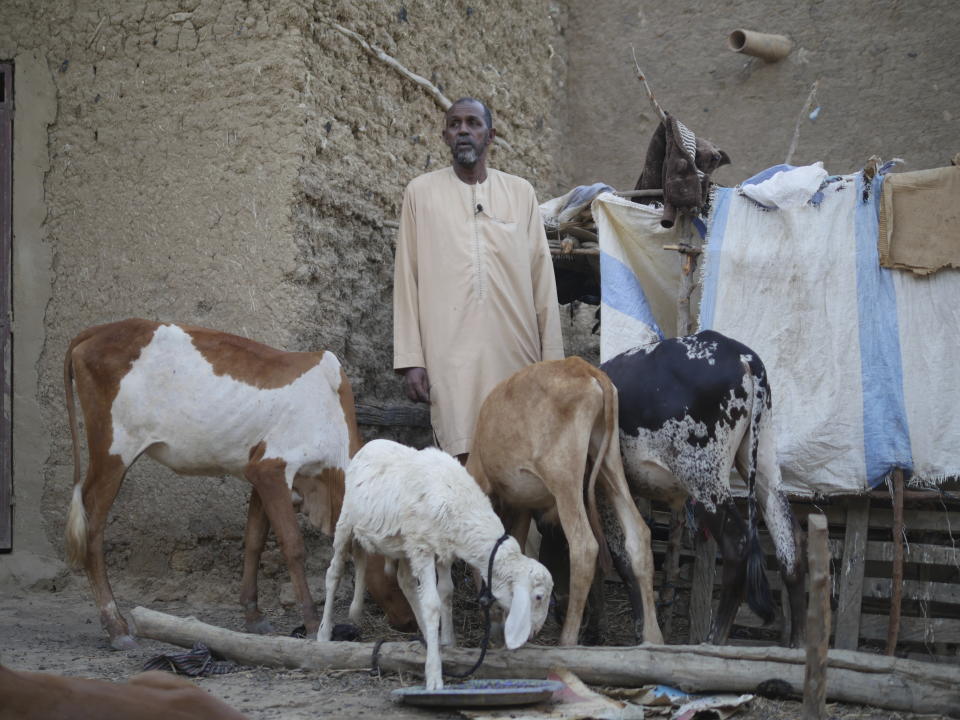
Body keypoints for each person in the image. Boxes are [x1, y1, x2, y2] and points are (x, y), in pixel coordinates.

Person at [393, 97, 564, 460]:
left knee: (519, 455)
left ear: (490, 136)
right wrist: (411, 359)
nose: (464, 131)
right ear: (445, 136)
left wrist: (552, 360)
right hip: (449, 355)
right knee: (463, 452)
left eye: (473, 123)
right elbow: (406, 280)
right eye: (455, 125)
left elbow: (543, 282)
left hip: (515, 352)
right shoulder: (420, 194)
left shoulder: (520, 194)